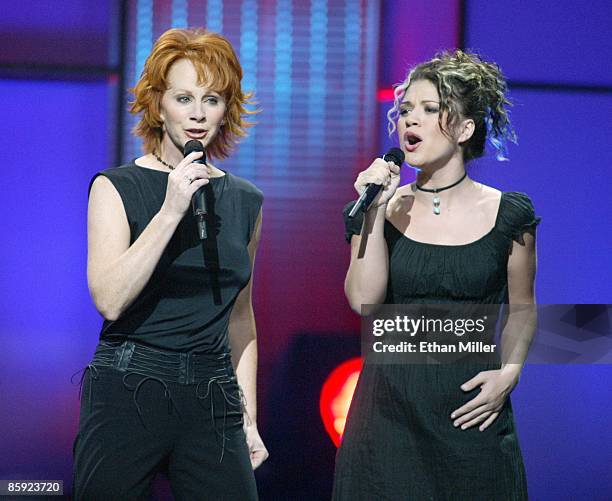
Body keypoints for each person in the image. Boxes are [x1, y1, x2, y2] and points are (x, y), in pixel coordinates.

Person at [332, 50, 540, 500]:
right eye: (406, 110)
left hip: (471, 414)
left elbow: (523, 309)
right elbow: (363, 299)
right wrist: (374, 211)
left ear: (465, 129)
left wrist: (510, 373)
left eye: (430, 110)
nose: (412, 121)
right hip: (387, 416)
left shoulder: (508, 214)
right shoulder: (376, 208)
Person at [72, 28, 267, 500]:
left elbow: (240, 317)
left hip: (211, 390)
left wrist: (249, 416)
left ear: (228, 110)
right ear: (158, 106)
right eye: (183, 98)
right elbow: (110, 299)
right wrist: (170, 210)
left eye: (213, 99)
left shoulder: (246, 200)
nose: (198, 114)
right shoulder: (116, 187)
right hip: (130, 385)